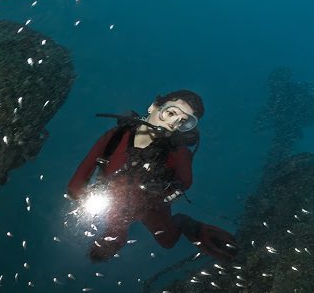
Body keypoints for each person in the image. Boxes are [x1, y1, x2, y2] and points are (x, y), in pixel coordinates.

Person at [67, 90, 238, 265]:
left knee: (168, 241)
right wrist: (86, 198)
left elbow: (185, 183)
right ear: (153, 107)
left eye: (182, 122)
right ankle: (85, 266)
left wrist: (164, 190)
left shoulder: (177, 151)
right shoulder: (116, 136)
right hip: (115, 202)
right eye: (171, 113)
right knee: (111, 241)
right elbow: (76, 183)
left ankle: (186, 224)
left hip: (151, 205)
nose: (173, 123)